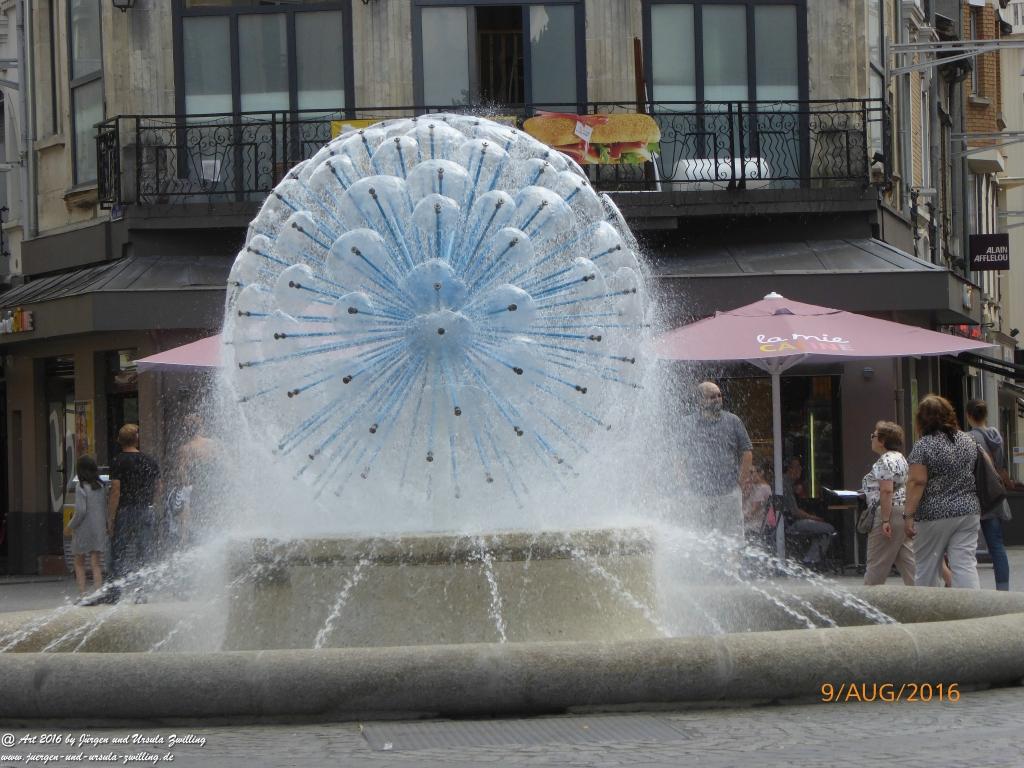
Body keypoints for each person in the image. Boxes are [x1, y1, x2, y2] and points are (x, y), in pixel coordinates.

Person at [904, 395, 981, 589]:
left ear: (921, 419)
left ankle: (927, 606)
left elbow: (917, 481)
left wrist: (908, 515)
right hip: (968, 510)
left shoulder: (923, 445)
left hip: (933, 514)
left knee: (926, 566)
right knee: (965, 565)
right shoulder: (969, 441)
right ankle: (971, 605)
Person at [680, 381, 753, 539]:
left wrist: (740, 482)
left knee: (732, 540)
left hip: (728, 493)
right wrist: (683, 482)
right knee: (699, 539)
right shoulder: (687, 423)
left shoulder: (733, 421)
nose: (718, 399)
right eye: (712, 397)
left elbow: (747, 452)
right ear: (700, 400)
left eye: (719, 395)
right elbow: (679, 455)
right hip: (698, 494)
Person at [965, 400, 1018, 590]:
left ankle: (965, 587)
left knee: (964, 547)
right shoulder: (996, 435)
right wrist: (1008, 484)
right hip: (994, 497)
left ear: (968, 415)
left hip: (976, 497)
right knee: (997, 546)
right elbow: (1001, 467)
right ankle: (1003, 590)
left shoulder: (967, 438)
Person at [106, 424, 161, 601]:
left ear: (120, 441)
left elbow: (115, 491)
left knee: (118, 552)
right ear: (137, 440)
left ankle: (114, 593)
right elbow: (158, 487)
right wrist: (152, 505)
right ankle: (142, 592)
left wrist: (111, 518)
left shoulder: (118, 461)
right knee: (144, 552)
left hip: (125, 510)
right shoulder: (149, 461)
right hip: (145, 509)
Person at [862, 421, 914, 585]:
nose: (871, 438)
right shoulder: (900, 458)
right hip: (903, 510)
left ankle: (868, 598)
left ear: (882, 441)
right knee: (908, 561)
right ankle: (925, 595)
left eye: (874, 435)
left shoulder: (884, 462)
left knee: (876, 564)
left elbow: (886, 491)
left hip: (888, 512)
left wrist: (885, 520)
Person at [64, 456, 107, 598]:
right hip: (98, 528)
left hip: (83, 528)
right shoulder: (101, 486)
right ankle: (98, 592)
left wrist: (70, 526)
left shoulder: (81, 487)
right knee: (96, 563)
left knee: (79, 562)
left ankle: (83, 593)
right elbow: (104, 508)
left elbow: (80, 511)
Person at [782, 457, 835, 568]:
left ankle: (811, 559)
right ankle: (809, 561)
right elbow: (795, 511)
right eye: (797, 467)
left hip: (790, 521)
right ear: (789, 469)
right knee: (828, 529)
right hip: (790, 523)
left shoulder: (790, 484)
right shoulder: (784, 484)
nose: (800, 469)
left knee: (821, 532)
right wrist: (813, 518)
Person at [742, 461, 773, 539]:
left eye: (752, 472)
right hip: (752, 524)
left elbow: (753, 511)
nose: (750, 476)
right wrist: (746, 492)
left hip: (754, 526)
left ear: (761, 473)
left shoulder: (762, 488)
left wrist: (738, 517)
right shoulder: (757, 487)